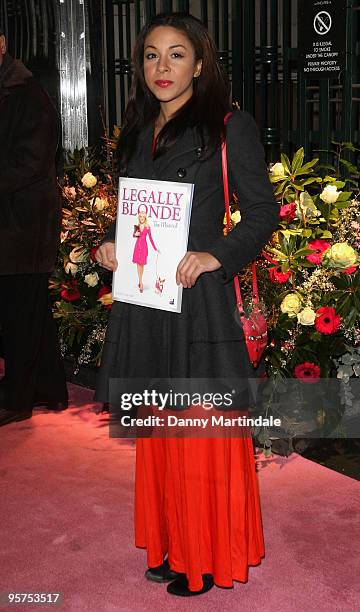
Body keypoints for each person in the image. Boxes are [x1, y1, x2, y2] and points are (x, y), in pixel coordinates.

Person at [95, 13, 279, 597]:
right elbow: (136, 215)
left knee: (199, 434)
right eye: (151, 55)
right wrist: (111, 245)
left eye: (176, 55)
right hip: (146, 305)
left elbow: (262, 215)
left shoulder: (230, 127)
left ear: (200, 63)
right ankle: (172, 540)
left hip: (199, 307)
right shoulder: (138, 128)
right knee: (160, 432)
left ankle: (202, 557)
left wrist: (215, 256)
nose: (162, 68)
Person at [0, 27, 68, 426]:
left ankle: (19, 398)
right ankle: (48, 387)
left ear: (3, 43)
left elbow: (31, 161)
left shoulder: (28, 94)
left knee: (18, 312)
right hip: (11, 223)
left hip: (23, 225)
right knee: (31, 311)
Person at [132, 212, 160, 292]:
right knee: (138, 264)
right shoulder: (137, 226)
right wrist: (135, 234)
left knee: (142, 264)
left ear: (145, 218)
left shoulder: (147, 227)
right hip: (137, 246)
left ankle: (140, 281)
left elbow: (150, 238)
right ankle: (140, 282)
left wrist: (155, 248)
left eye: (142, 217)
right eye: (140, 217)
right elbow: (134, 235)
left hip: (144, 247)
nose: (141, 218)